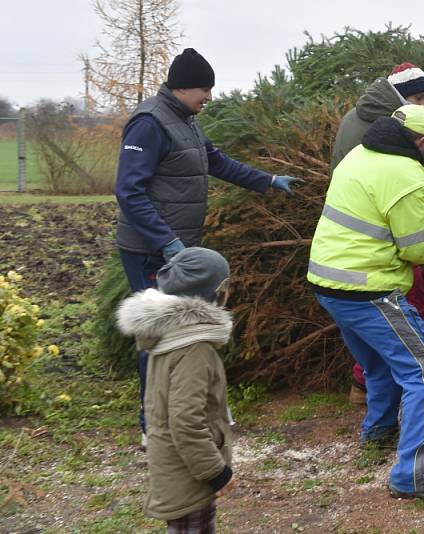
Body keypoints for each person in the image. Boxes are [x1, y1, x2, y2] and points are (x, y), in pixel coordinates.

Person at [114, 48, 302, 446]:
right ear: (182, 87)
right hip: (151, 249)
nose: (209, 97)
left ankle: (191, 406)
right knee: (157, 333)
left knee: (186, 328)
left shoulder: (185, 120)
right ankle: (154, 425)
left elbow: (216, 162)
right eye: (204, 89)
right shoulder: (150, 123)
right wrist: (166, 243)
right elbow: (128, 191)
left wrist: (267, 181)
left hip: (180, 247)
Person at [308, 104, 424, 504]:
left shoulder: (358, 156)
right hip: (368, 289)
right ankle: (415, 477)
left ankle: (377, 433)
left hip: (326, 283)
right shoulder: (407, 175)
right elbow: (417, 249)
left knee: (379, 361)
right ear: (419, 141)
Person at [329, 62, 424, 404]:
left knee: (366, 327)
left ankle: (364, 392)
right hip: (378, 239)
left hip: (344, 236)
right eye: (418, 98)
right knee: (411, 311)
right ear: (401, 97)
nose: (423, 107)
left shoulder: (354, 116)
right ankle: (407, 398)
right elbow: (394, 193)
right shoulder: (388, 126)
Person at [116, 247, 235, 531]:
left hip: (179, 467)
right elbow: (185, 421)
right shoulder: (193, 348)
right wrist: (216, 472)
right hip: (188, 474)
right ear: (215, 292)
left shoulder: (171, 335)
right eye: (227, 285)